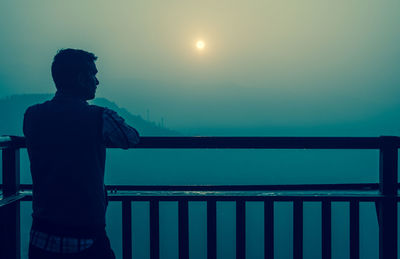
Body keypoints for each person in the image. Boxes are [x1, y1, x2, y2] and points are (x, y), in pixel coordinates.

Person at [23, 48, 140, 259]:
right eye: (93, 74)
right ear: (80, 78)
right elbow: (130, 138)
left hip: (41, 237)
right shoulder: (98, 118)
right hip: (86, 238)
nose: (97, 81)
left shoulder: (32, 115)